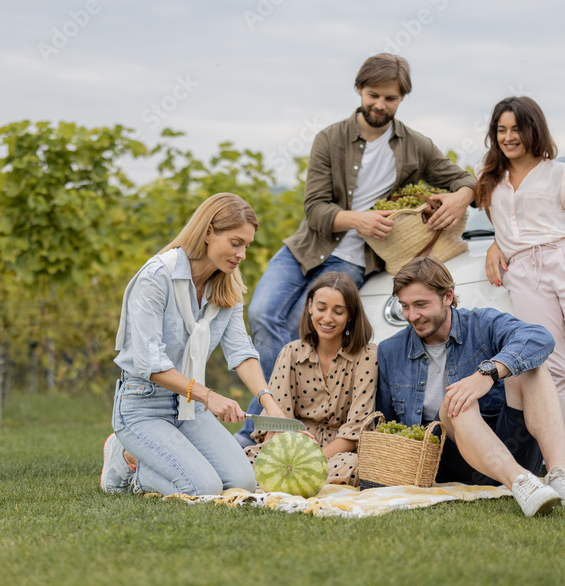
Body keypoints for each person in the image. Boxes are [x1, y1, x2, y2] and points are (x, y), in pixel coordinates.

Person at [236, 52, 477, 447]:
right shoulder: (330, 139)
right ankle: (277, 423)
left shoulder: (415, 145)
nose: (380, 105)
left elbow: (465, 178)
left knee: (308, 329)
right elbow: (314, 210)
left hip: (353, 261)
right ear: (359, 91)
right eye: (372, 95)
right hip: (306, 248)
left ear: (401, 99)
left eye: (390, 98)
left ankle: (258, 433)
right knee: (262, 314)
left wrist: (460, 197)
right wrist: (358, 219)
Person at [376, 257, 565, 517]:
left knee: (530, 365)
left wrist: (488, 373)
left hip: (512, 446)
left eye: (421, 305)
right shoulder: (390, 351)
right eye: (405, 306)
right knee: (454, 402)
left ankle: (559, 474)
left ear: (448, 297)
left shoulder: (482, 324)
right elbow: (387, 428)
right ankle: (520, 483)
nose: (412, 316)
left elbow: (540, 338)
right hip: (454, 462)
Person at [477, 97, 565, 489]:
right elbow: (505, 227)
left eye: (516, 129)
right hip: (524, 274)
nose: (508, 137)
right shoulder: (489, 180)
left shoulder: (562, 173)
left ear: (533, 129)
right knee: (550, 365)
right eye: (501, 130)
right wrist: (496, 245)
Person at [100, 193, 285, 496]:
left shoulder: (229, 286)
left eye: (247, 246)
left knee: (243, 483)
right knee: (201, 487)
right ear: (209, 232)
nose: (242, 255)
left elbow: (241, 351)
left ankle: (154, 456)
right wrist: (209, 396)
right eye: (236, 243)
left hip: (190, 408)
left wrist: (269, 403)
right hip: (142, 405)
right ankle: (126, 461)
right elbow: (149, 363)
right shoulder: (156, 277)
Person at [242, 272, 377, 486]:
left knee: (355, 466)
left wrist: (312, 460)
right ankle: (297, 480)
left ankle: (291, 480)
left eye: (338, 311)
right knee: (244, 462)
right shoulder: (291, 352)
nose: (327, 318)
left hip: (338, 453)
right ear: (310, 306)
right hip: (292, 445)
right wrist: (279, 458)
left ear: (350, 314)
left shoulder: (367, 355)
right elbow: (277, 419)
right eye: (321, 308)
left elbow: (356, 429)